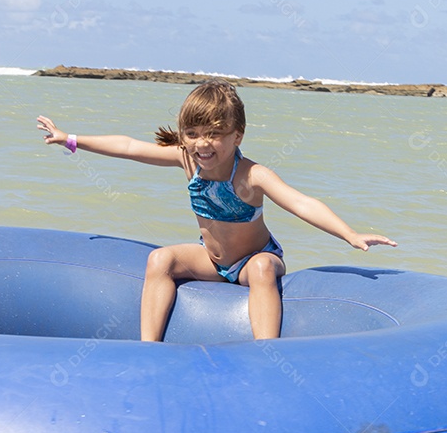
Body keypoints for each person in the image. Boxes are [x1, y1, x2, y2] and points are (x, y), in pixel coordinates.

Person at [37, 80, 396, 341]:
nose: (202, 144)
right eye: (192, 133)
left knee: (259, 269)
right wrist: (71, 139)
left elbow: (300, 202)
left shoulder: (252, 175)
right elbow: (129, 146)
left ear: (237, 135)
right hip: (212, 260)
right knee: (160, 260)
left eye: (215, 134)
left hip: (255, 258)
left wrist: (349, 233)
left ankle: (265, 353)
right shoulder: (186, 159)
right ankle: (149, 348)